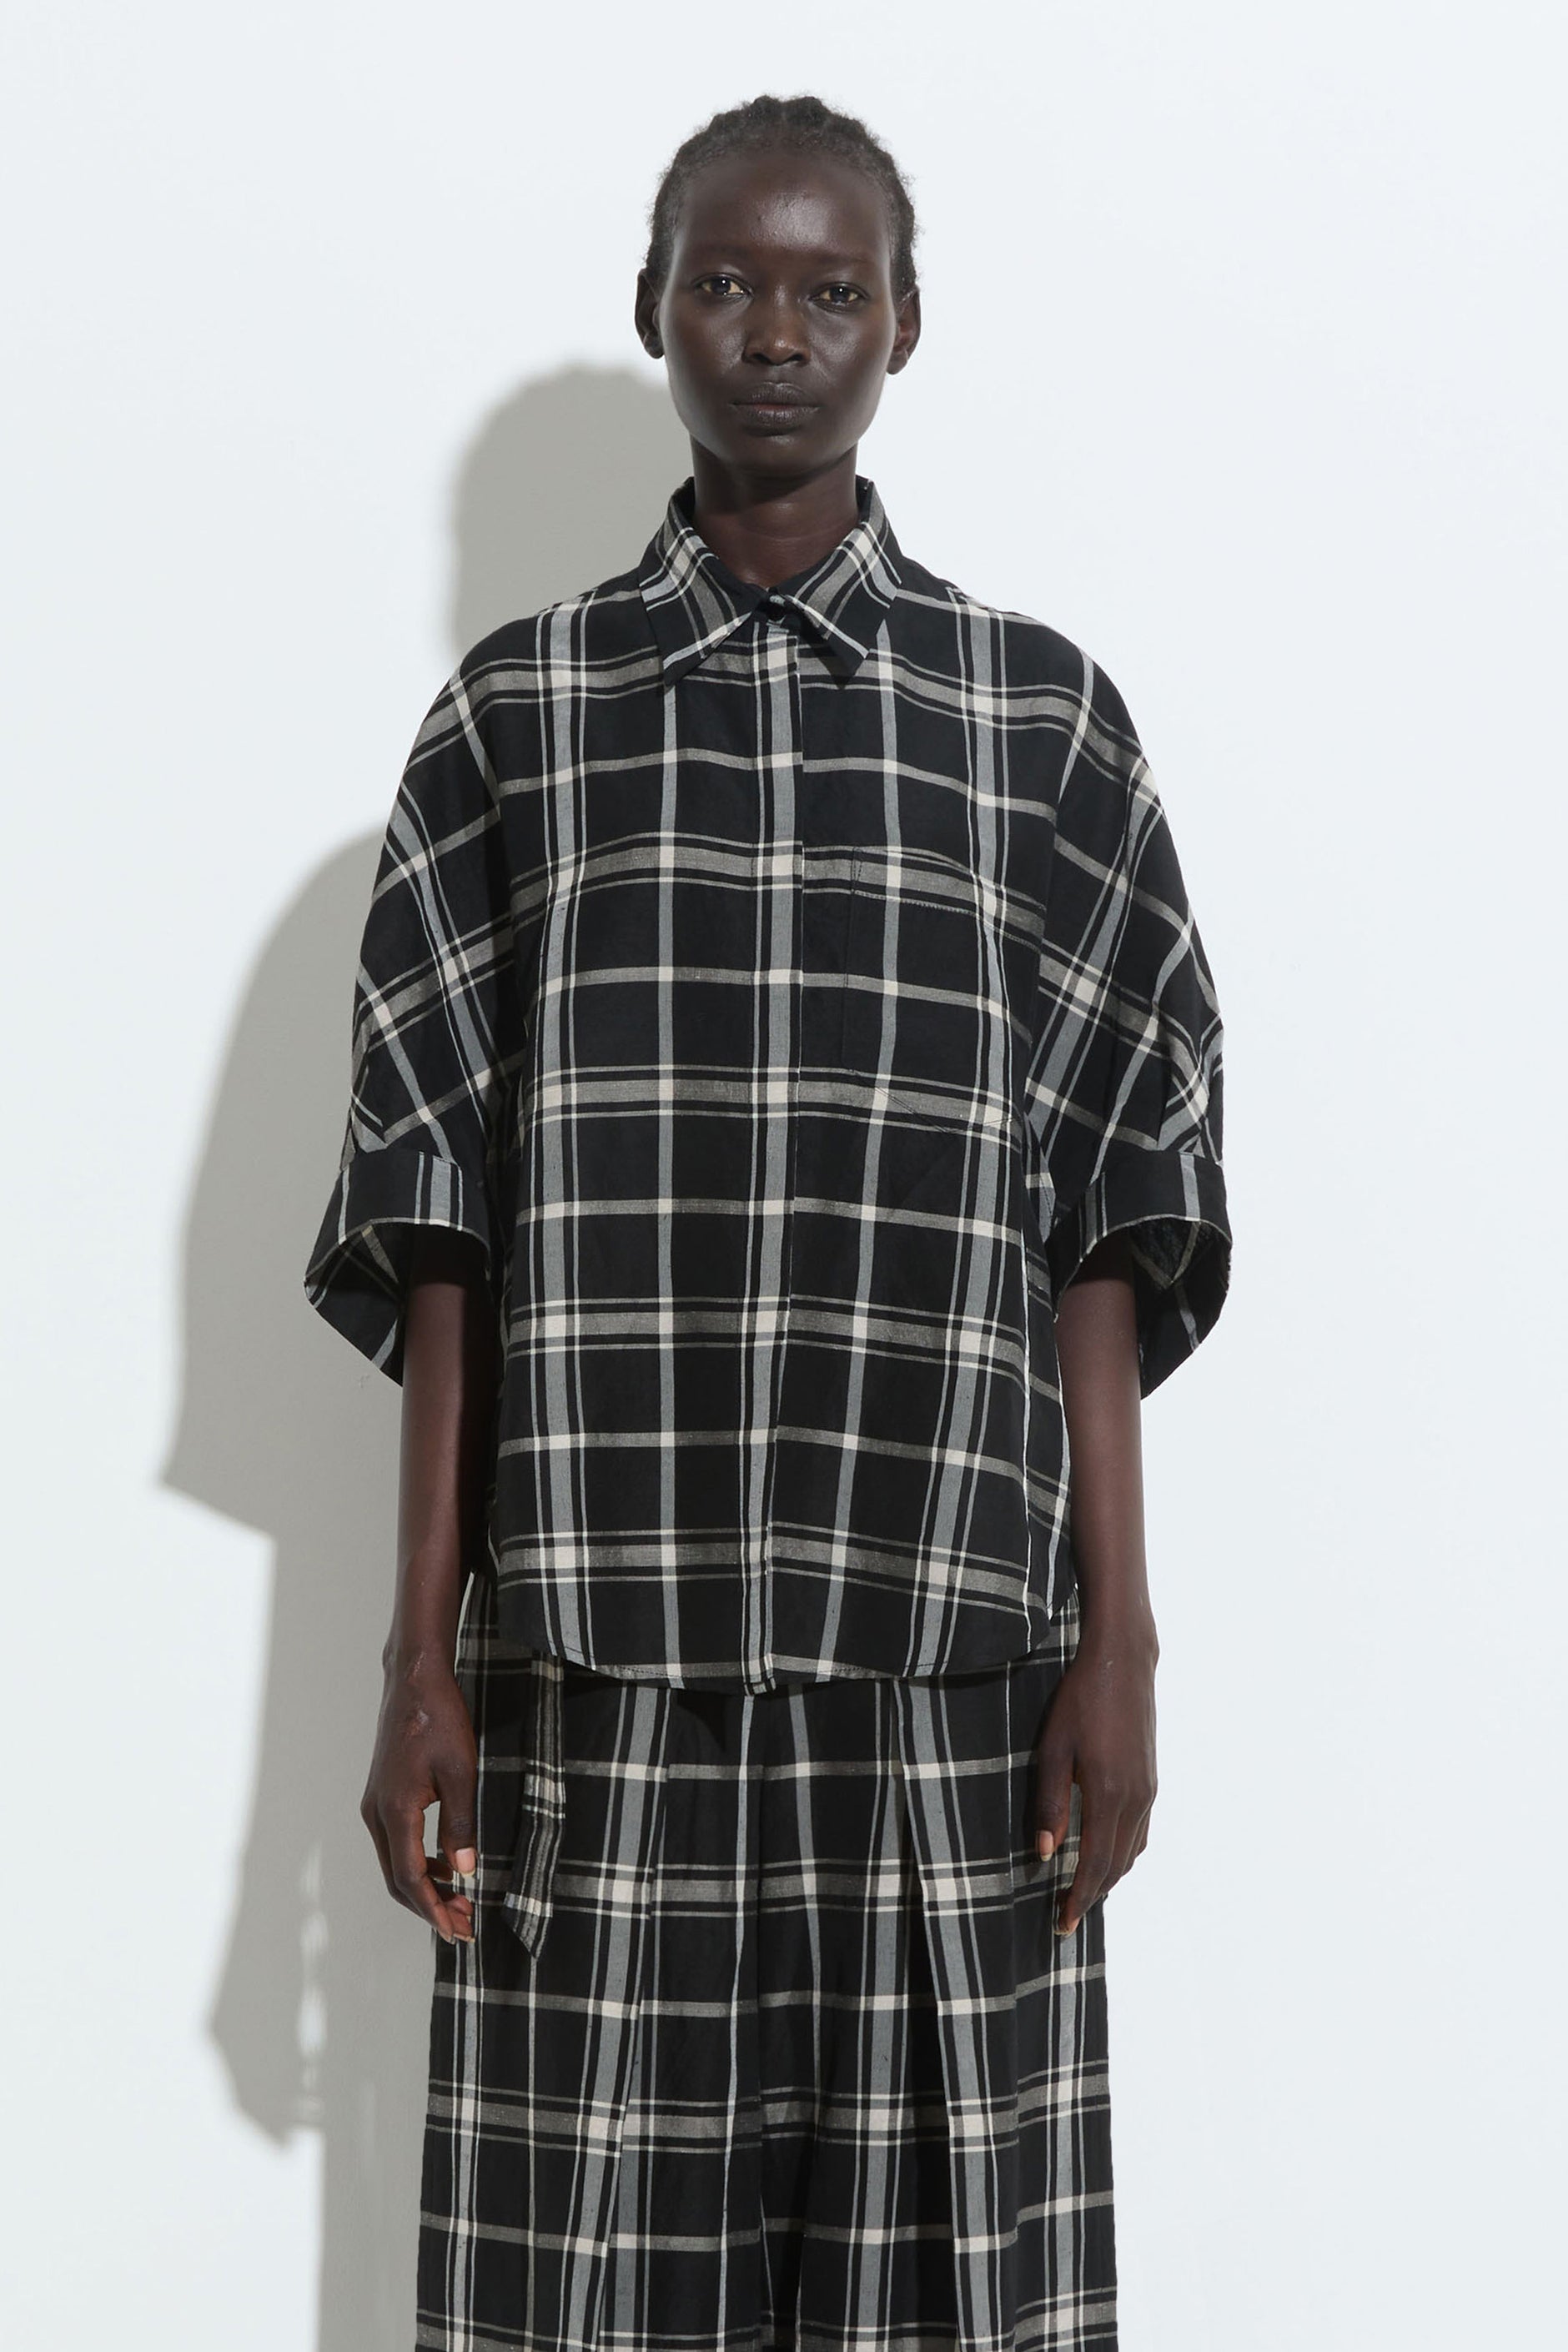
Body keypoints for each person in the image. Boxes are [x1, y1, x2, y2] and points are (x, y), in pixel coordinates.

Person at [304, 91, 1230, 2352]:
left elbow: (1110, 1216)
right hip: (595, 1677)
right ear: (656, 309)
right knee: (573, 2306)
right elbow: (439, 1225)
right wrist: (420, 1662)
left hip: (951, 1677)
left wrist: (1120, 1641)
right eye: (729, 282)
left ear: (907, 322)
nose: (780, 333)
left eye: (832, 289)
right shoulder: (517, 723)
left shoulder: (1040, 729)